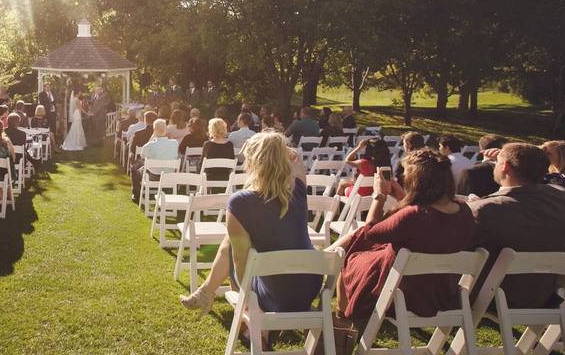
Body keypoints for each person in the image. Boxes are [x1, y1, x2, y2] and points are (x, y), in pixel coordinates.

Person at [180, 132, 320, 314]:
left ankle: (211, 294)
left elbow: (239, 259)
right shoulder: (299, 190)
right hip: (308, 289)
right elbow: (297, 159)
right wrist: (277, 146)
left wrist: (247, 296)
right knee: (233, 238)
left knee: (232, 244)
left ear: (253, 162)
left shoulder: (240, 202)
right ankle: (205, 292)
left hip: (277, 295)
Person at [331, 149, 476, 321]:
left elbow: (370, 233)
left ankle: (342, 321)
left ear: (416, 180)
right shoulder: (464, 211)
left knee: (351, 256)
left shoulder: (415, 215)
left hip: (401, 289)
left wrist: (379, 196)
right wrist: (402, 197)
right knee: (357, 242)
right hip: (439, 290)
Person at [467, 143, 565, 308]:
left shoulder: (486, 209)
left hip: (493, 295)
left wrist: (473, 207)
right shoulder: (562, 199)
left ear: (505, 167)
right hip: (540, 295)